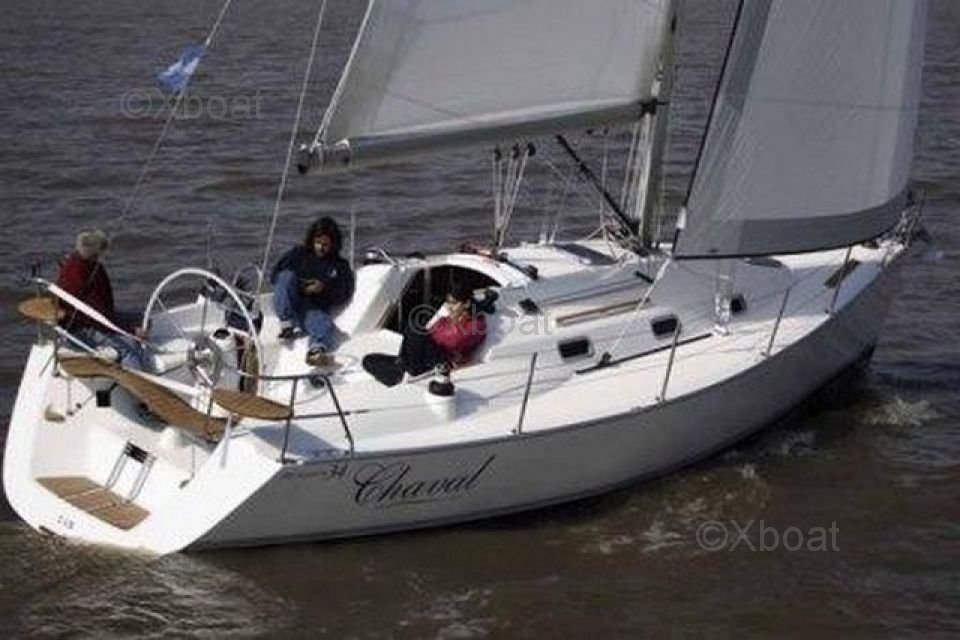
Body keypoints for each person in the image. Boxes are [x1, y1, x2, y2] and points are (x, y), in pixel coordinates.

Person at [56, 229, 147, 369]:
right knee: (130, 347)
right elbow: (97, 316)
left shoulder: (80, 263)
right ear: (93, 253)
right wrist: (131, 331)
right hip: (83, 328)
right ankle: (136, 377)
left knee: (144, 319)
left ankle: (136, 354)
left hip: (98, 317)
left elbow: (103, 310)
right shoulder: (79, 275)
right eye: (99, 253)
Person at [363, 283, 487, 386]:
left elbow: (453, 340)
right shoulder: (447, 319)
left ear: (466, 304)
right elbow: (431, 332)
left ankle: (409, 370)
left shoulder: (476, 325)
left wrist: (450, 323)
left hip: (442, 361)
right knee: (369, 360)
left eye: (454, 303)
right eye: (448, 303)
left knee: (415, 328)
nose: (449, 307)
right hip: (425, 355)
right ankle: (402, 367)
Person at [271, 216, 355, 366]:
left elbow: (343, 293)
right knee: (286, 276)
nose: (320, 247)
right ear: (312, 240)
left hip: (313, 309)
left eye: (325, 244)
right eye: (318, 243)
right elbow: (275, 276)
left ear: (333, 244)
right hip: (290, 302)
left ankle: (316, 350)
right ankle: (286, 325)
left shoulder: (340, 266)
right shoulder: (298, 254)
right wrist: (299, 286)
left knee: (324, 323)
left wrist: (323, 288)